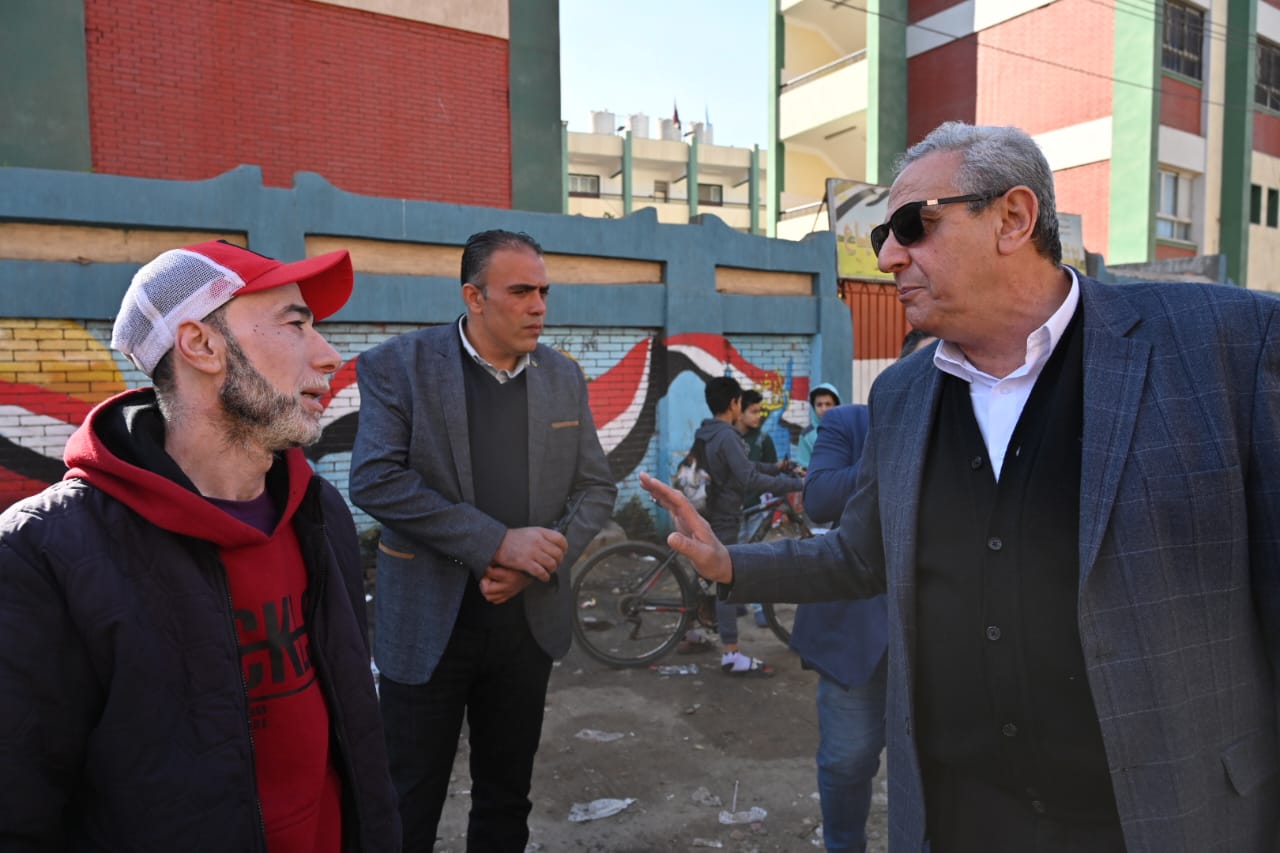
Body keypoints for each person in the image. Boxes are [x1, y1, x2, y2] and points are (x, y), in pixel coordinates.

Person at [641, 121, 1280, 852]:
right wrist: (729, 563)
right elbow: (861, 554)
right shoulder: (903, 394)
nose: (888, 256)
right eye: (883, 235)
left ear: (1013, 218)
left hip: (1162, 819)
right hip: (958, 819)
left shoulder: (1222, 345)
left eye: (914, 226)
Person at [0, 239, 400, 849]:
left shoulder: (319, 511)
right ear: (201, 345)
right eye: (295, 325)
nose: (328, 354)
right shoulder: (43, 554)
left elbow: (357, 738)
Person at [348, 229, 616, 851]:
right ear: (474, 297)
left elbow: (595, 489)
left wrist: (538, 561)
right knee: (406, 800)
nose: (538, 307)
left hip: (525, 626)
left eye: (543, 292)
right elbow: (376, 479)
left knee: (506, 799)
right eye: (520, 292)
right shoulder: (399, 366)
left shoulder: (562, 376)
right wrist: (497, 543)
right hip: (427, 625)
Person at [793, 330, 934, 853]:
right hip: (857, 633)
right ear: (899, 374)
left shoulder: (976, 433)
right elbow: (819, 499)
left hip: (942, 637)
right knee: (847, 760)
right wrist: (896, 444)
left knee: (934, 769)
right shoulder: (850, 423)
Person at [690, 376, 803, 675]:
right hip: (723, 517)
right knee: (727, 581)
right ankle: (731, 654)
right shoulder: (727, 436)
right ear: (734, 403)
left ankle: (690, 632)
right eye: (741, 401)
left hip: (706, 513)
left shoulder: (707, 431)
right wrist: (794, 484)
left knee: (701, 572)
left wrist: (776, 468)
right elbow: (748, 478)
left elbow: (744, 466)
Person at [794, 382, 841, 468]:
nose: (823, 409)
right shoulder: (806, 435)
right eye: (819, 405)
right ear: (814, 407)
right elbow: (803, 467)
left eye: (828, 404)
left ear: (836, 406)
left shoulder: (845, 430)